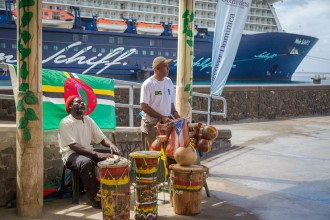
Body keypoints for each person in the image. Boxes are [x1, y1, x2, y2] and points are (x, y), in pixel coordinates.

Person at [58, 95, 120, 208]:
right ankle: (94, 197)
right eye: (78, 102)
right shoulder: (65, 122)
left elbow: (101, 137)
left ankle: (111, 190)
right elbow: (74, 146)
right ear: (70, 106)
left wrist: (110, 144)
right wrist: (96, 154)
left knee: (113, 156)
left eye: (82, 102)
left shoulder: (88, 120)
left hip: (87, 151)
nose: (82, 104)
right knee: (87, 163)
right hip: (71, 154)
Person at [140, 56, 181, 150]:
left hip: (165, 125)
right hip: (151, 126)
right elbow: (143, 106)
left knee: (166, 154)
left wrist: (174, 112)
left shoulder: (168, 81)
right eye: (165, 66)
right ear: (157, 69)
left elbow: (171, 101)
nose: (168, 69)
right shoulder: (148, 84)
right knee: (152, 155)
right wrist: (162, 117)